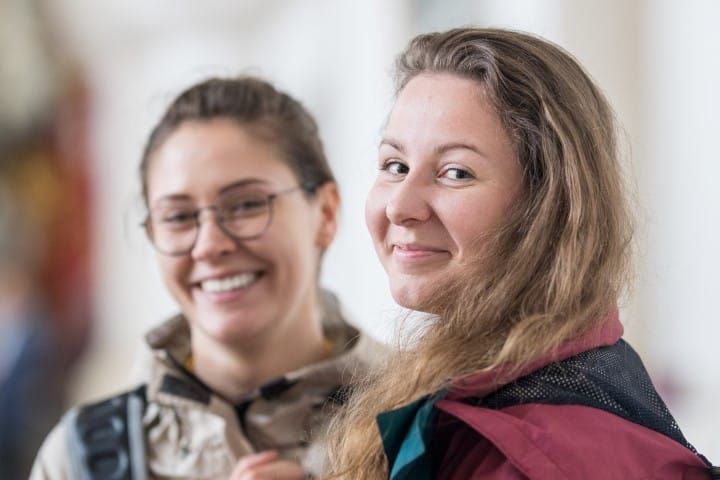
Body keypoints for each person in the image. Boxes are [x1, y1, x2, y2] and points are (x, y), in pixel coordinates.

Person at [327, 28, 717, 479]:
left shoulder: (523, 458)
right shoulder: (548, 383)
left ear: (547, 207)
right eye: (395, 165)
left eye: (456, 173)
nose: (400, 206)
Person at [31, 76, 378, 480]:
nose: (210, 245)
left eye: (246, 205)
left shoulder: (416, 419)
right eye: (179, 216)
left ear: (326, 214)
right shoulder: (76, 460)